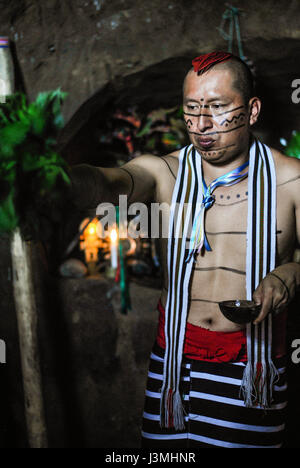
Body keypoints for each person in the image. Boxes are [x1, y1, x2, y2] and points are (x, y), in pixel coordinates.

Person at [69, 51, 300, 448]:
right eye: (192, 109)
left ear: (253, 109)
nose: (202, 125)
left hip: (252, 366)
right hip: (174, 361)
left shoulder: (291, 181)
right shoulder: (164, 173)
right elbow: (110, 184)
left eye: (217, 107)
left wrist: (288, 275)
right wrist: (56, 180)